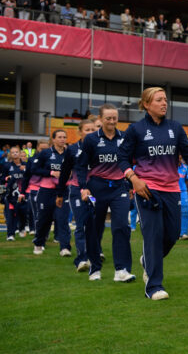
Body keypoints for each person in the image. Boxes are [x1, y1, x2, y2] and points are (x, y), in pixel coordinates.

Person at [118, 87, 188, 300]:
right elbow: (122, 158)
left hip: (172, 189)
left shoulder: (175, 127)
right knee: (153, 236)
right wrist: (134, 179)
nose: (164, 103)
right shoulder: (136, 129)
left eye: (165, 99)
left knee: (173, 234)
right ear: (147, 104)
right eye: (159, 100)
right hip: (147, 189)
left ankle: (147, 260)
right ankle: (154, 286)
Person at [77, 104, 136, 282]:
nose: (112, 121)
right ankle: (95, 268)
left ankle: (121, 270)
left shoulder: (125, 138)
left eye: (114, 118)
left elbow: (130, 163)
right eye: (108, 118)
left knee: (121, 227)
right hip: (96, 189)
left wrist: (131, 185)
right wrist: (83, 187)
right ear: (101, 119)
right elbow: (81, 166)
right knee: (94, 228)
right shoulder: (91, 139)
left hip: (119, 188)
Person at [57, 118, 98, 273]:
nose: (90, 132)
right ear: (79, 132)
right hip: (77, 192)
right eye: (87, 130)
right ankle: (82, 259)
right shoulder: (72, 149)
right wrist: (60, 193)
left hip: (96, 192)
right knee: (81, 223)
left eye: (93, 129)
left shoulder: (102, 147)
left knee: (95, 222)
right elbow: (64, 172)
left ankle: (95, 252)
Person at [29, 130, 71, 256]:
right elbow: (34, 169)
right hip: (46, 191)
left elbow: (76, 169)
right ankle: (39, 243)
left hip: (63, 191)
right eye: (60, 137)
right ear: (53, 139)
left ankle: (65, 248)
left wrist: (70, 173)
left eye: (64, 137)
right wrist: (51, 173)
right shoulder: (45, 153)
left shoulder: (70, 153)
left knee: (62, 219)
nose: (62, 139)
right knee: (44, 219)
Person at [3, 146, 25, 240]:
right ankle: (10, 235)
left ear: (20, 153)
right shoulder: (7, 165)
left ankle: (21, 228)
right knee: (10, 215)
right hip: (10, 195)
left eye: (16, 152)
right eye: (13, 152)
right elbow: (2, 179)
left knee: (22, 213)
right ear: (10, 155)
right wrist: (6, 178)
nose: (15, 154)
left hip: (23, 194)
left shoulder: (26, 165)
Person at [178, 156, 188, 240]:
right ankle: (173, 232)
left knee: (185, 212)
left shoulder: (186, 168)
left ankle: (183, 233)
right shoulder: (169, 166)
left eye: (180, 156)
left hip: (183, 192)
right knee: (172, 212)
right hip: (172, 191)